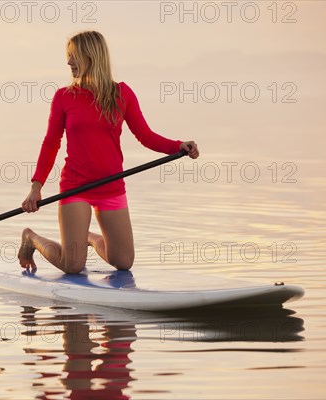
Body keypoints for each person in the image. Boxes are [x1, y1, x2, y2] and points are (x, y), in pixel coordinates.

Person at [19, 31, 199, 274]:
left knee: (123, 262)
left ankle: (87, 237)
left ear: (90, 56)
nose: (68, 62)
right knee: (72, 266)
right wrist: (36, 187)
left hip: (111, 186)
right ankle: (31, 238)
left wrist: (177, 145)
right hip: (76, 187)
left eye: (73, 56)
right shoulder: (64, 97)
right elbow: (51, 143)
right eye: (68, 56)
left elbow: (145, 135)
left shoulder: (121, 94)